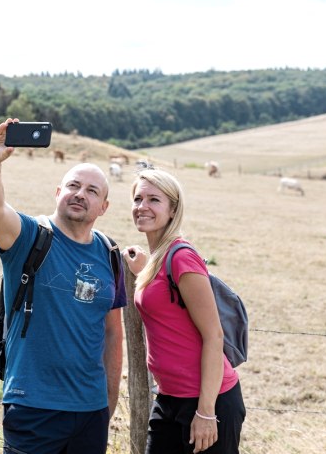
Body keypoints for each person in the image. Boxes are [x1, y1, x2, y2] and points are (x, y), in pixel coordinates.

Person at [0, 118, 126, 454]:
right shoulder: (29, 237)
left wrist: (107, 403)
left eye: (92, 191)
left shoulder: (110, 254)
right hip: (33, 405)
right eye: (73, 186)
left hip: (90, 412)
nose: (80, 195)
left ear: (104, 207)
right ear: (58, 192)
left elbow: (112, 333)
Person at [122, 169, 245, 454]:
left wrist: (205, 412)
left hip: (207, 401)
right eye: (138, 198)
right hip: (168, 399)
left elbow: (214, 335)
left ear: (172, 209)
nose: (143, 206)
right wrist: (143, 270)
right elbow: (166, 303)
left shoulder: (182, 258)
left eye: (154, 199)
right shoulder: (157, 260)